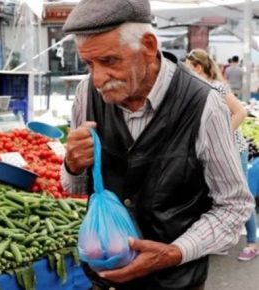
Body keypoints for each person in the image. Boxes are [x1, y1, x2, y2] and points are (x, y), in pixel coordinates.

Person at [61, 0, 255, 289]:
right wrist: (73, 165)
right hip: (105, 278)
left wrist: (173, 253)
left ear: (149, 46)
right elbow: (75, 187)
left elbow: (234, 205)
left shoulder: (203, 103)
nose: (98, 79)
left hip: (174, 280)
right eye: (89, 64)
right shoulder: (86, 94)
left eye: (110, 61)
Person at [185, 49, 258, 261]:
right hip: (214, 151)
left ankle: (252, 242)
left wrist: (221, 137)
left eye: (190, 69)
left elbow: (241, 113)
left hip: (235, 149)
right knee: (217, 193)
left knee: (240, 194)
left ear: (198, 68)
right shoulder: (198, 89)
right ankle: (222, 239)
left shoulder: (216, 87)